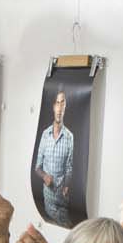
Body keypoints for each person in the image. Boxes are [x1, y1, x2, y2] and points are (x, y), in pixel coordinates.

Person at [32, 88, 76, 226]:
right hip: (48, 201)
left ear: (65, 107)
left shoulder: (70, 137)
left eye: (63, 103)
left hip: (63, 200)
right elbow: (37, 167)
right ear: (53, 107)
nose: (60, 107)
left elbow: (69, 167)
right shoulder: (45, 135)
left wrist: (67, 186)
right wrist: (45, 176)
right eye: (57, 103)